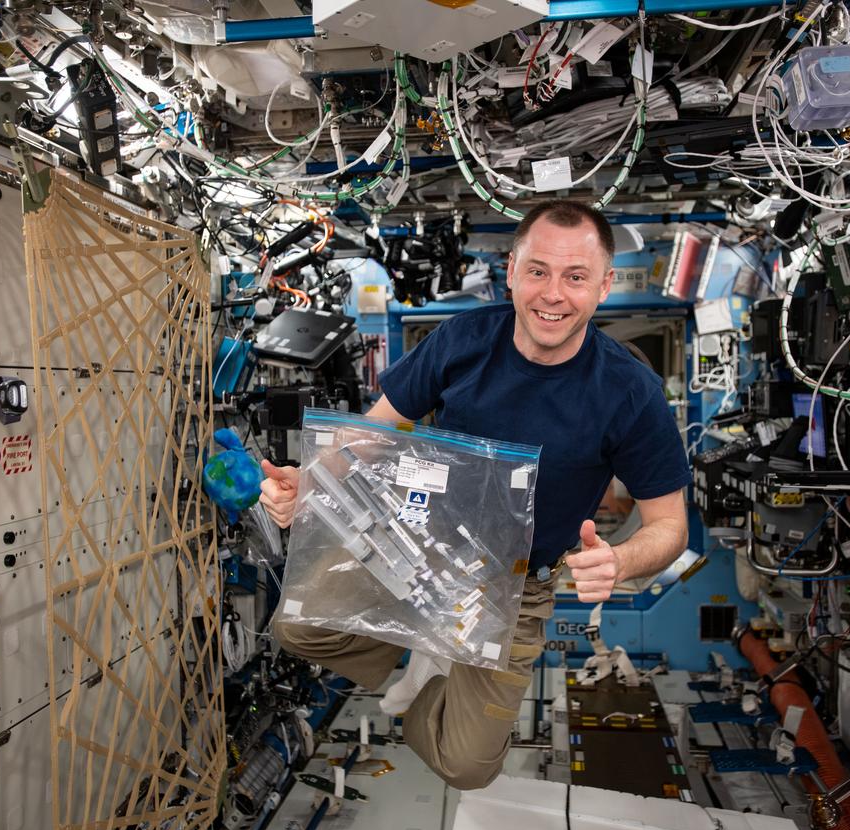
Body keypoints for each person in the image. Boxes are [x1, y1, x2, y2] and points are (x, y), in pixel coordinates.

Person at [259, 200, 690, 790]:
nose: (553, 294)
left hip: (515, 587)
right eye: (538, 271)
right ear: (511, 270)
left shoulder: (631, 393)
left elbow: (669, 526)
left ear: (605, 285)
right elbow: (374, 435)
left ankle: (429, 682)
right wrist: (308, 484)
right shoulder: (461, 339)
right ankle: (420, 648)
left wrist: (619, 559)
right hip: (414, 555)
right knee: (297, 627)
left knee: (467, 768)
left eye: (575, 276)